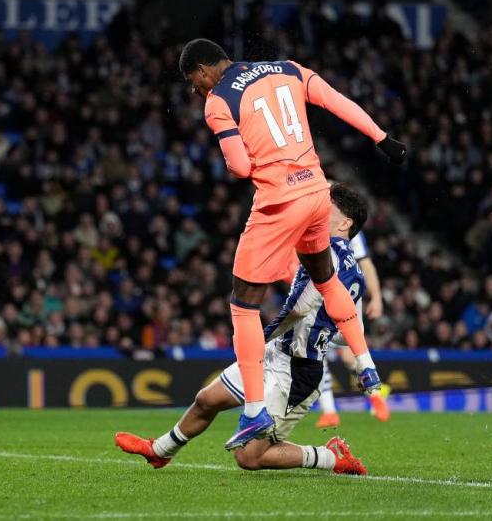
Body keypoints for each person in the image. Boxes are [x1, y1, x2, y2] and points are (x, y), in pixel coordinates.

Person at [179, 38, 406, 448]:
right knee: (326, 279)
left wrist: (253, 159)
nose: (196, 91)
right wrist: (383, 139)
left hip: (278, 202)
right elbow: (338, 103)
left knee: (243, 302)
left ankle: (253, 410)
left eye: (193, 83)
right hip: (318, 192)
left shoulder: (217, 101)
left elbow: (238, 165)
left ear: (202, 69)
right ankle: (367, 365)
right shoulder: (288, 68)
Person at [115, 184, 377, 475]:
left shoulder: (327, 254)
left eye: (325, 206)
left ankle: (330, 457)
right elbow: (350, 330)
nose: (315, 209)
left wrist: (264, 334)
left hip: (296, 372)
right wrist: (320, 332)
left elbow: (301, 308)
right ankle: (160, 451)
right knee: (207, 400)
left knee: (249, 458)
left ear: (345, 223)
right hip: (275, 353)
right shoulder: (354, 271)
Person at [315, 229, 389, 428]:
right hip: (320, 298)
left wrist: (377, 297)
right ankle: (331, 411)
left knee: (341, 354)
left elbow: (365, 264)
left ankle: (374, 395)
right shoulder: (316, 223)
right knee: (318, 352)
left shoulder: (351, 232)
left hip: (343, 300)